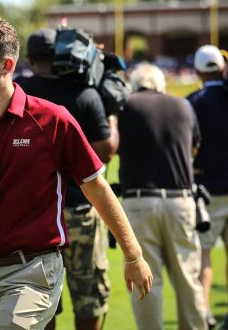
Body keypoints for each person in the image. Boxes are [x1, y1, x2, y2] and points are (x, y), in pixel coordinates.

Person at [0, 16, 152, 330]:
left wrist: (133, 255)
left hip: (33, 271)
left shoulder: (53, 120)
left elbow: (96, 187)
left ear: (6, 64)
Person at [15, 28, 119, 330]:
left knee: (42, 298)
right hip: (80, 209)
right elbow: (106, 150)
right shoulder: (85, 93)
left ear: (31, 59)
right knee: (88, 296)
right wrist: (112, 111)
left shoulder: (19, 92)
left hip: (34, 215)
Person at [118, 62, 206, 330]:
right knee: (188, 279)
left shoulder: (126, 105)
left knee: (146, 281)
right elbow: (194, 149)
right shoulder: (183, 105)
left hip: (139, 200)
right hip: (180, 200)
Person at [187, 45, 228, 330]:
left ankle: (203, 315)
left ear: (199, 71)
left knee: (203, 255)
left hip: (208, 190)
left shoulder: (193, 102)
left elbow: (189, 148)